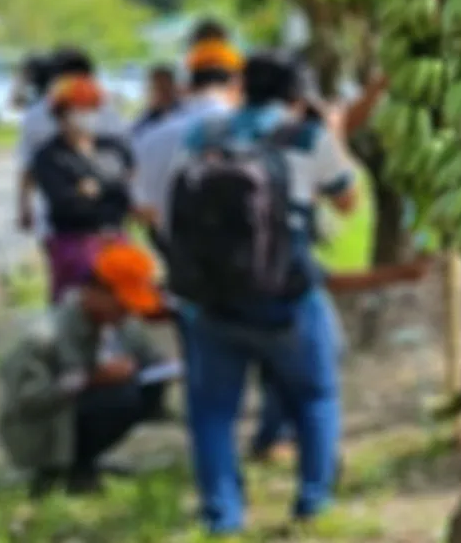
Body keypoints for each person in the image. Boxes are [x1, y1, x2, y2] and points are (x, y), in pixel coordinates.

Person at [167, 50, 426, 533]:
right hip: (285, 296)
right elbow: (348, 202)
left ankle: (222, 516)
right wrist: (335, 135)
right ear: (295, 94)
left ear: (243, 87)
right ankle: (312, 503)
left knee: (213, 413)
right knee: (315, 396)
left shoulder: (203, 135)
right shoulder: (306, 137)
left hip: (209, 300)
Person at [0, 242, 173, 497]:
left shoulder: (120, 324)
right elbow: (26, 401)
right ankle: (58, 468)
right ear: (94, 292)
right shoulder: (45, 336)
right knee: (120, 397)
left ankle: (85, 460)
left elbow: (151, 359)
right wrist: (90, 380)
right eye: (122, 304)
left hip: (76, 411)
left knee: (145, 388)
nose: (127, 312)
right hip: (39, 427)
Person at [30, 75, 135, 304]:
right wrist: (94, 192)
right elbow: (64, 201)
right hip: (74, 242)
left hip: (116, 239)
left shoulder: (113, 148)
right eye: (80, 108)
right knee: (74, 309)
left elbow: (126, 193)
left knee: (123, 306)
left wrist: (96, 190)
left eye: (92, 108)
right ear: (61, 115)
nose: (87, 115)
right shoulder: (49, 156)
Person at [131, 33, 244, 235]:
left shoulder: (151, 136)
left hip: (176, 251)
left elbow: (140, 207)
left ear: (187, 84)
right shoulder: (246, 131)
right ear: (237, 82)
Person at [17, 48, 126, 236]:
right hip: (98, 220)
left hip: (63, 221)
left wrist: (24, 207)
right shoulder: (105, 110)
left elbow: (27, 168)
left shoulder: (37, 114)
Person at [131, 65, 180, 139]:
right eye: (156, 88)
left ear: (173, 87)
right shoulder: (146, 118)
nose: (160, 93)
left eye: (164, 88)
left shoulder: (183, 113)